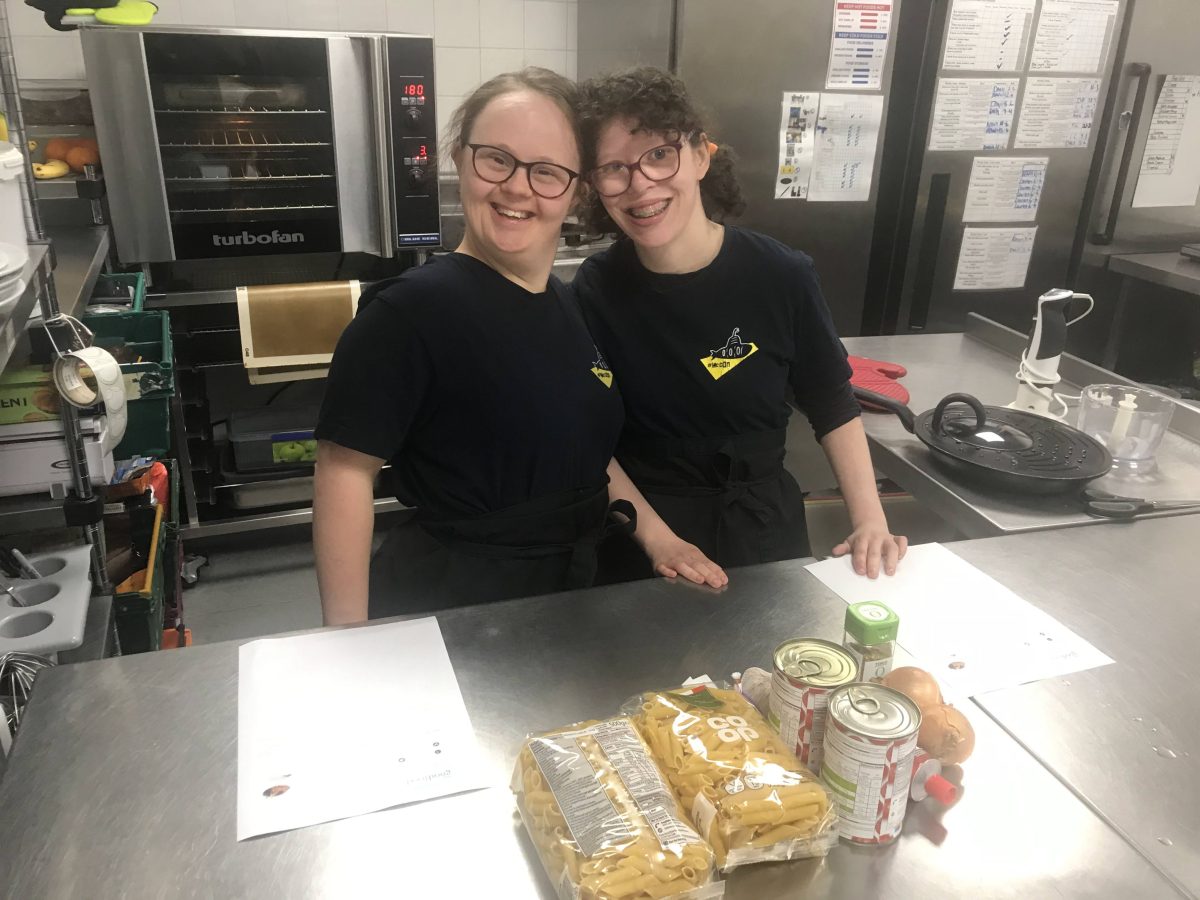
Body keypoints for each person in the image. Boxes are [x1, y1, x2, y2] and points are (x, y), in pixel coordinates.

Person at [313, 69, 639, 625]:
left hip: (571, 596)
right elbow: (344, 473)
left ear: (577, 189)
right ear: (460, 160)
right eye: (497, 159)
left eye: (546, 171)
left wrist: (660, 539)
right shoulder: (408, 312)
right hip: (460, 607)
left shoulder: (566, 302)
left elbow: (582, 452)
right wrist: (348, 642)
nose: (517, 187)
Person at [573, 67, 908, 581]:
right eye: (614, 168)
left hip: (762, 532)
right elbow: (587, 438)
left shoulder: (781, 275)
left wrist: (869, 520)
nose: (641, 185)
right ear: (597, 185)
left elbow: (831, 402)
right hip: (641, 544)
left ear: (702, 156)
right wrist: (660, 543)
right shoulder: (595, 290)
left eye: (660, 155)